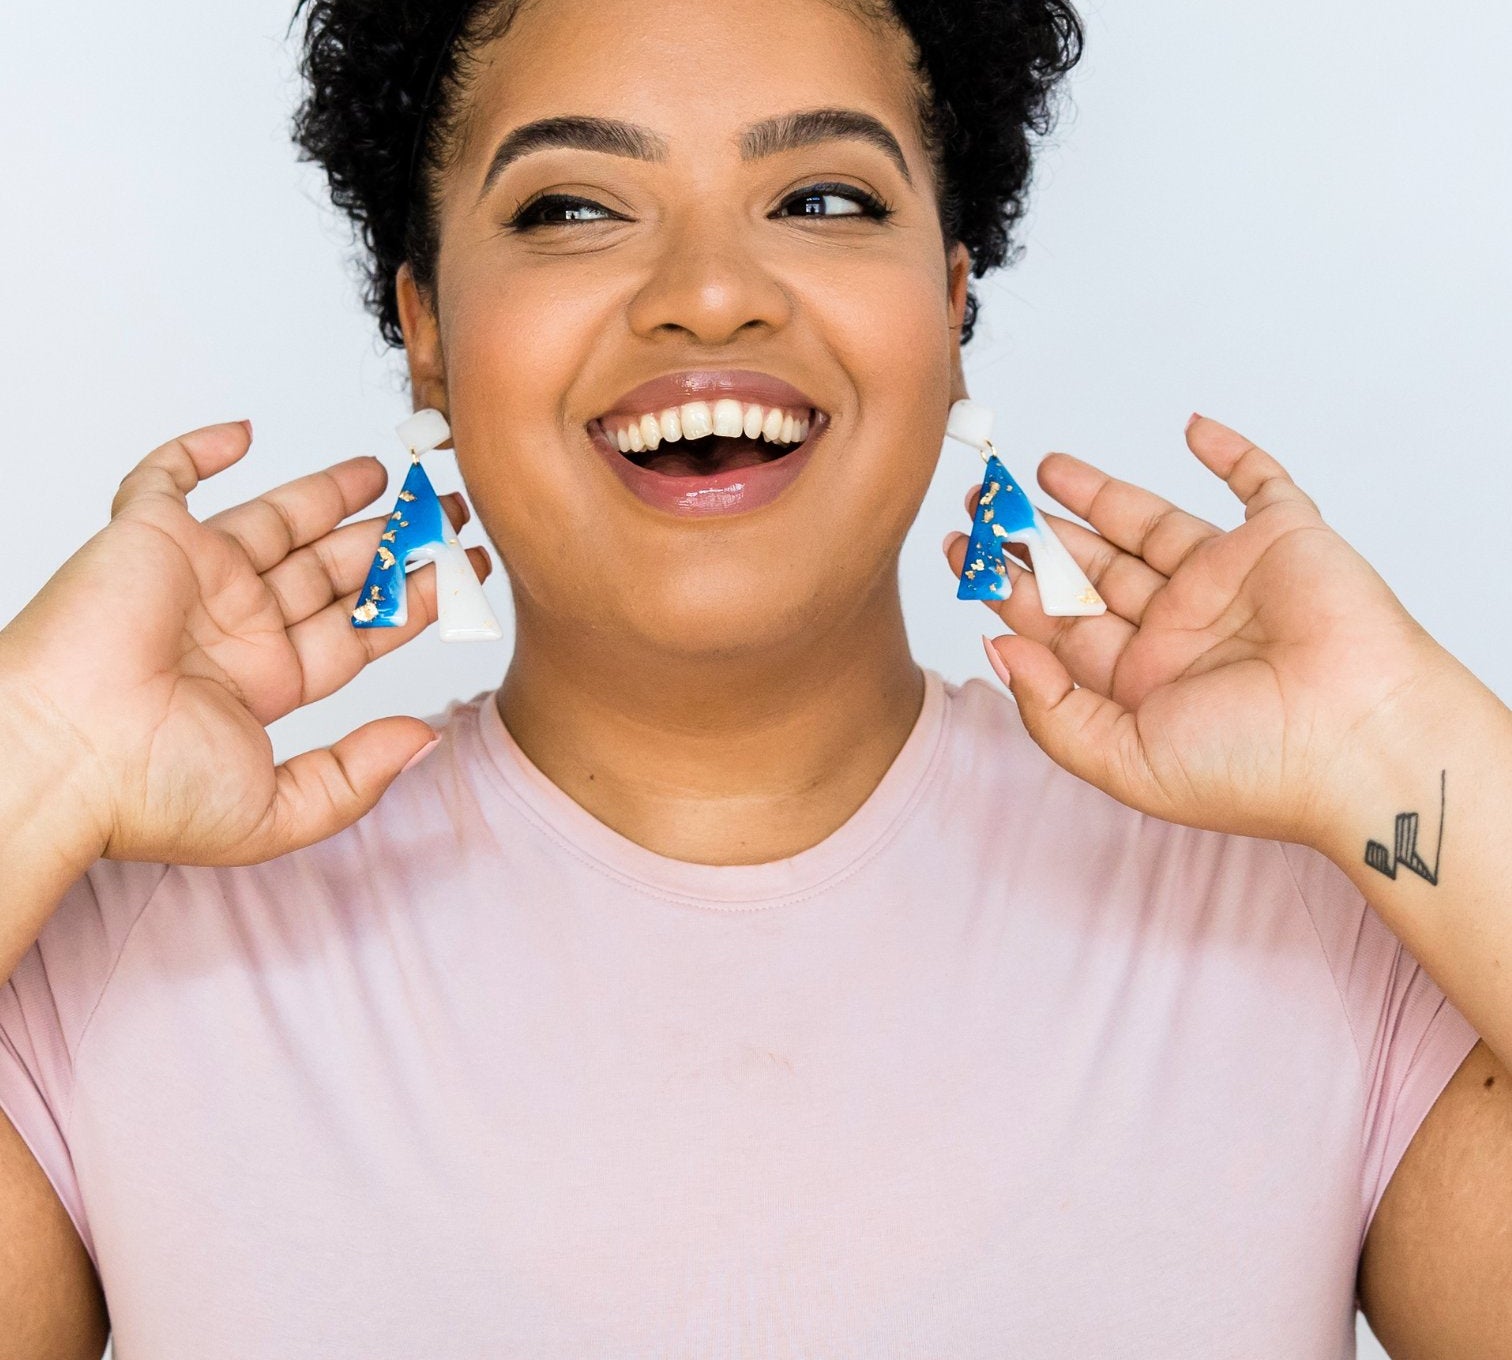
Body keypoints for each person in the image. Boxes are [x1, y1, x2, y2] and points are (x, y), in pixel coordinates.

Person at [2, 0, 1509, 1355]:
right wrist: (41, 754)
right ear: (427, 333)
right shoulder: (117, 973)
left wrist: (1399, 742)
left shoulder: (1312, 923)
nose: (710, 294)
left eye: (824, 198)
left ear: (953, 301)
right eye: (577, 206)